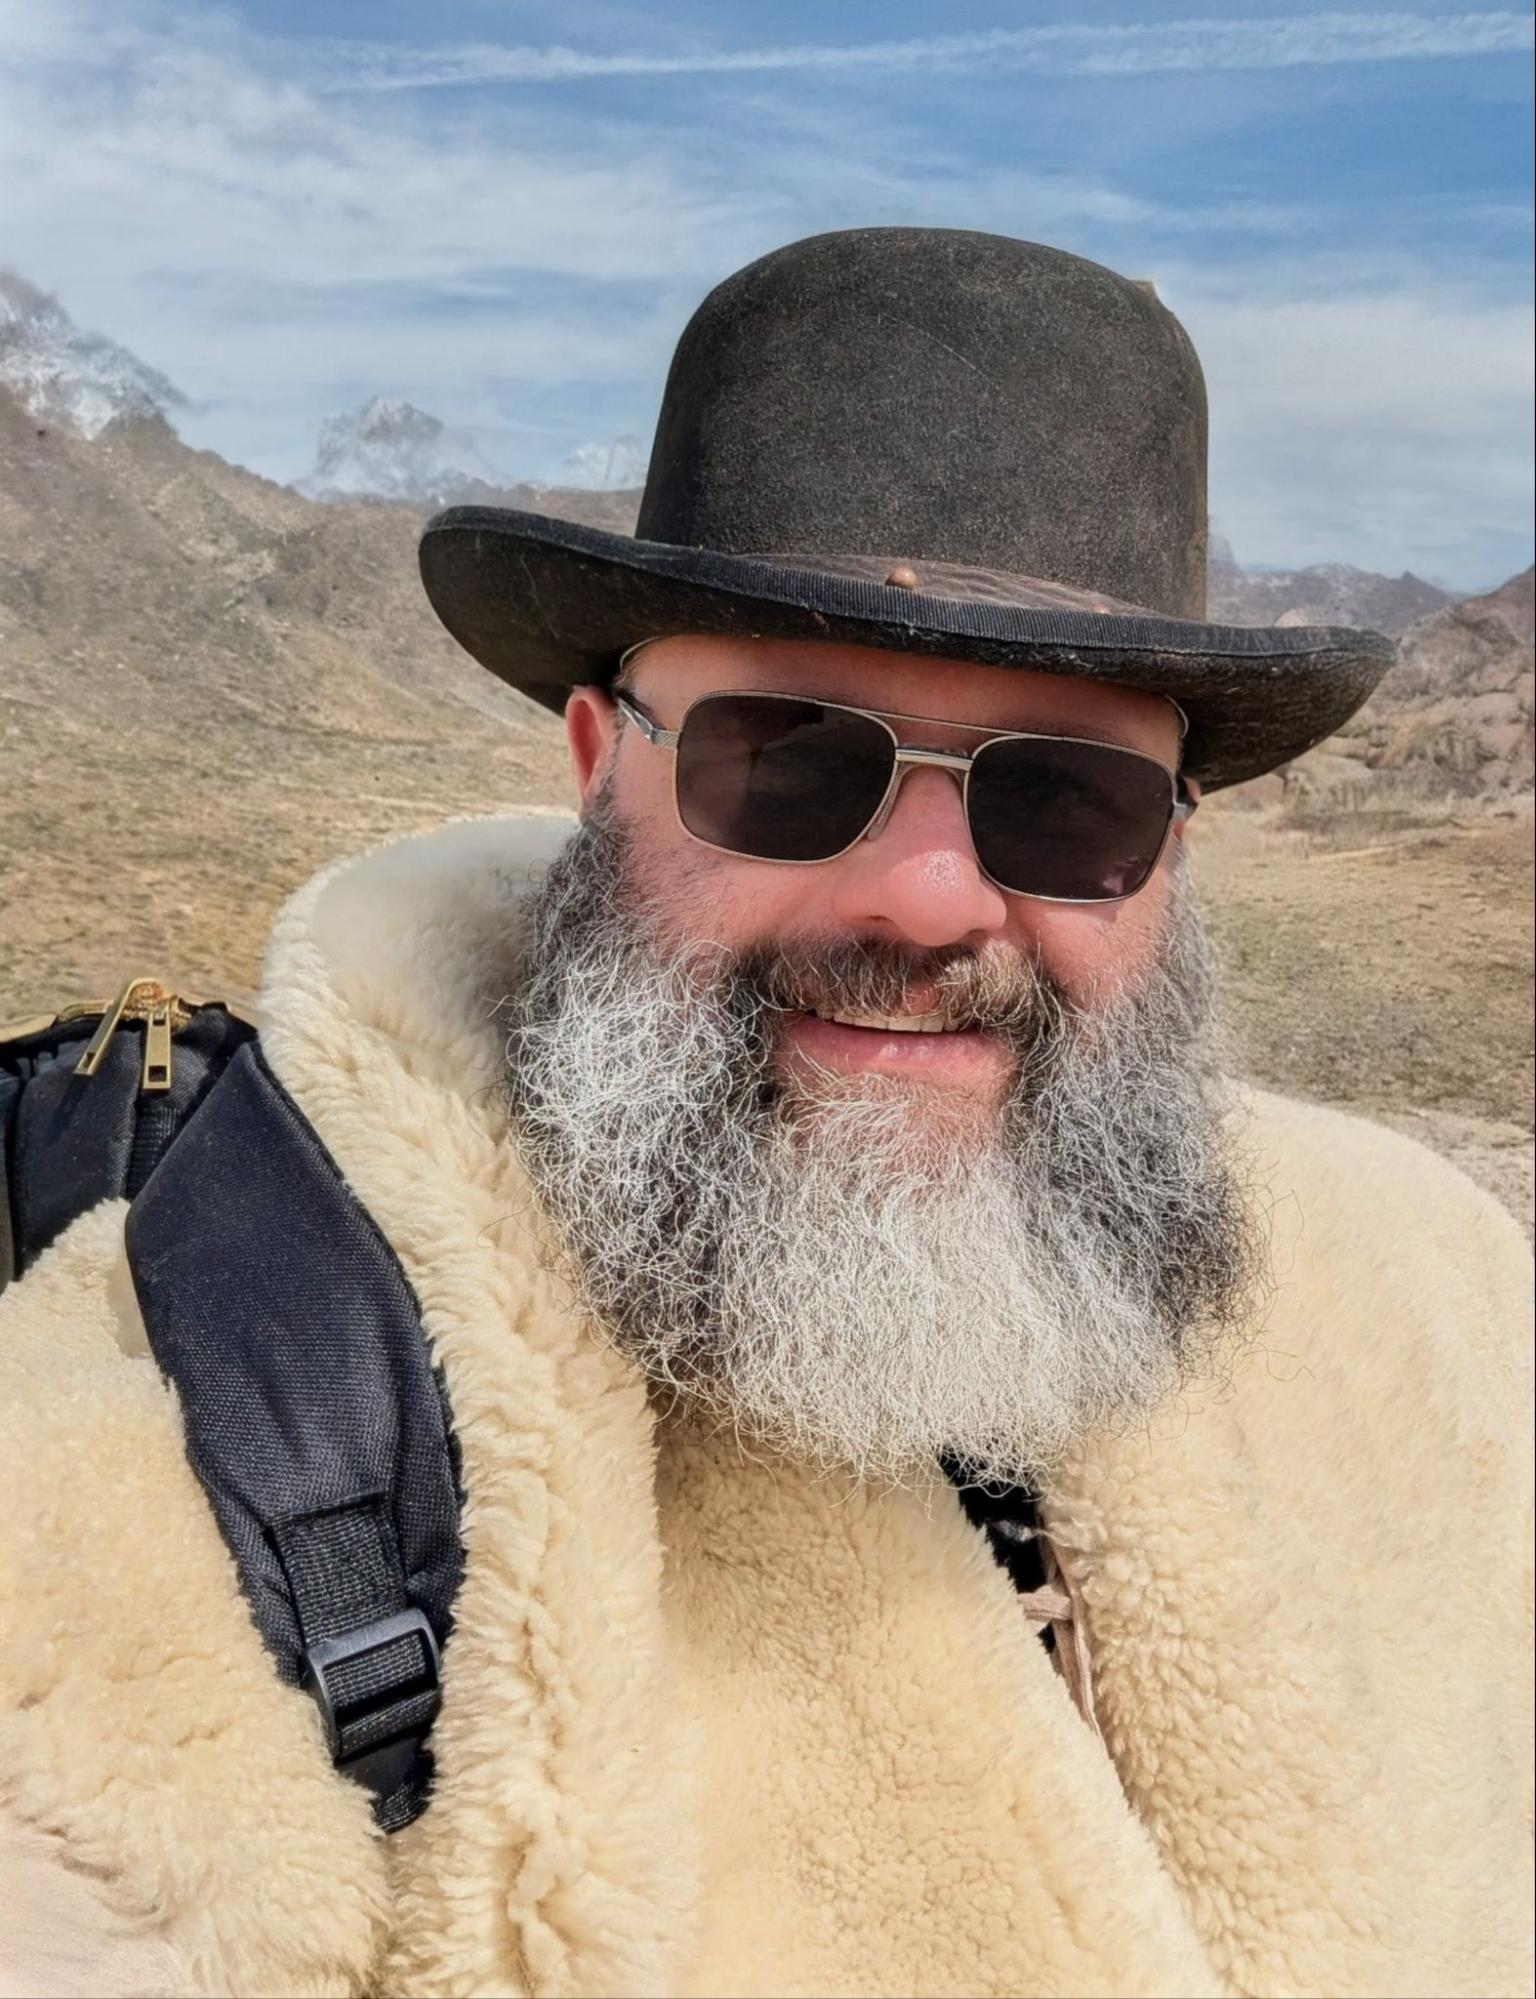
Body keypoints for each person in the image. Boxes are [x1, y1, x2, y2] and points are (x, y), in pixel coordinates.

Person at [1, 229, 1529, 1999]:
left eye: (1070, 801)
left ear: (1173, 854)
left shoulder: (1437, 1288)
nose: (930, 901)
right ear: (601, 771)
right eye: (790, 760)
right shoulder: (235, 1423)